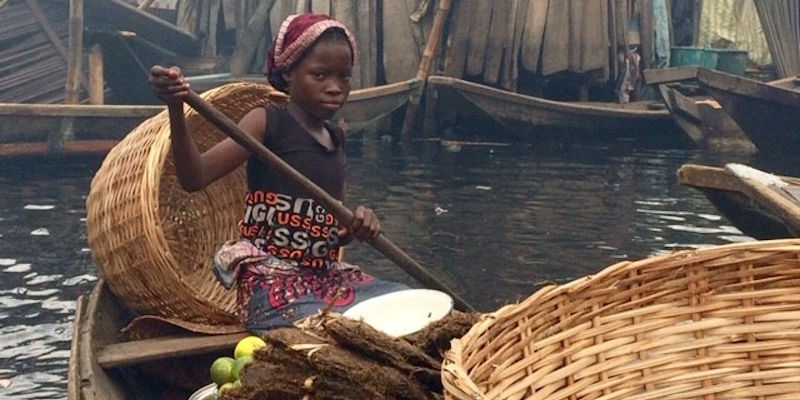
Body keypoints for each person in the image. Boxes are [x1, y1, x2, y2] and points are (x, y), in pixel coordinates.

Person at [149, 13, 406, 332]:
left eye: (344, 76)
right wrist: (176, 106)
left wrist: (359, 223)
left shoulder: (336, 137)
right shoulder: (266, 123)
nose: (335, 88)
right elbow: (195, 177)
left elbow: (333, 228)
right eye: (320, 75)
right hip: (273, 285)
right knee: (333, 329)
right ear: (288, 75)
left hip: (326, 277)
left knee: (405, 301)